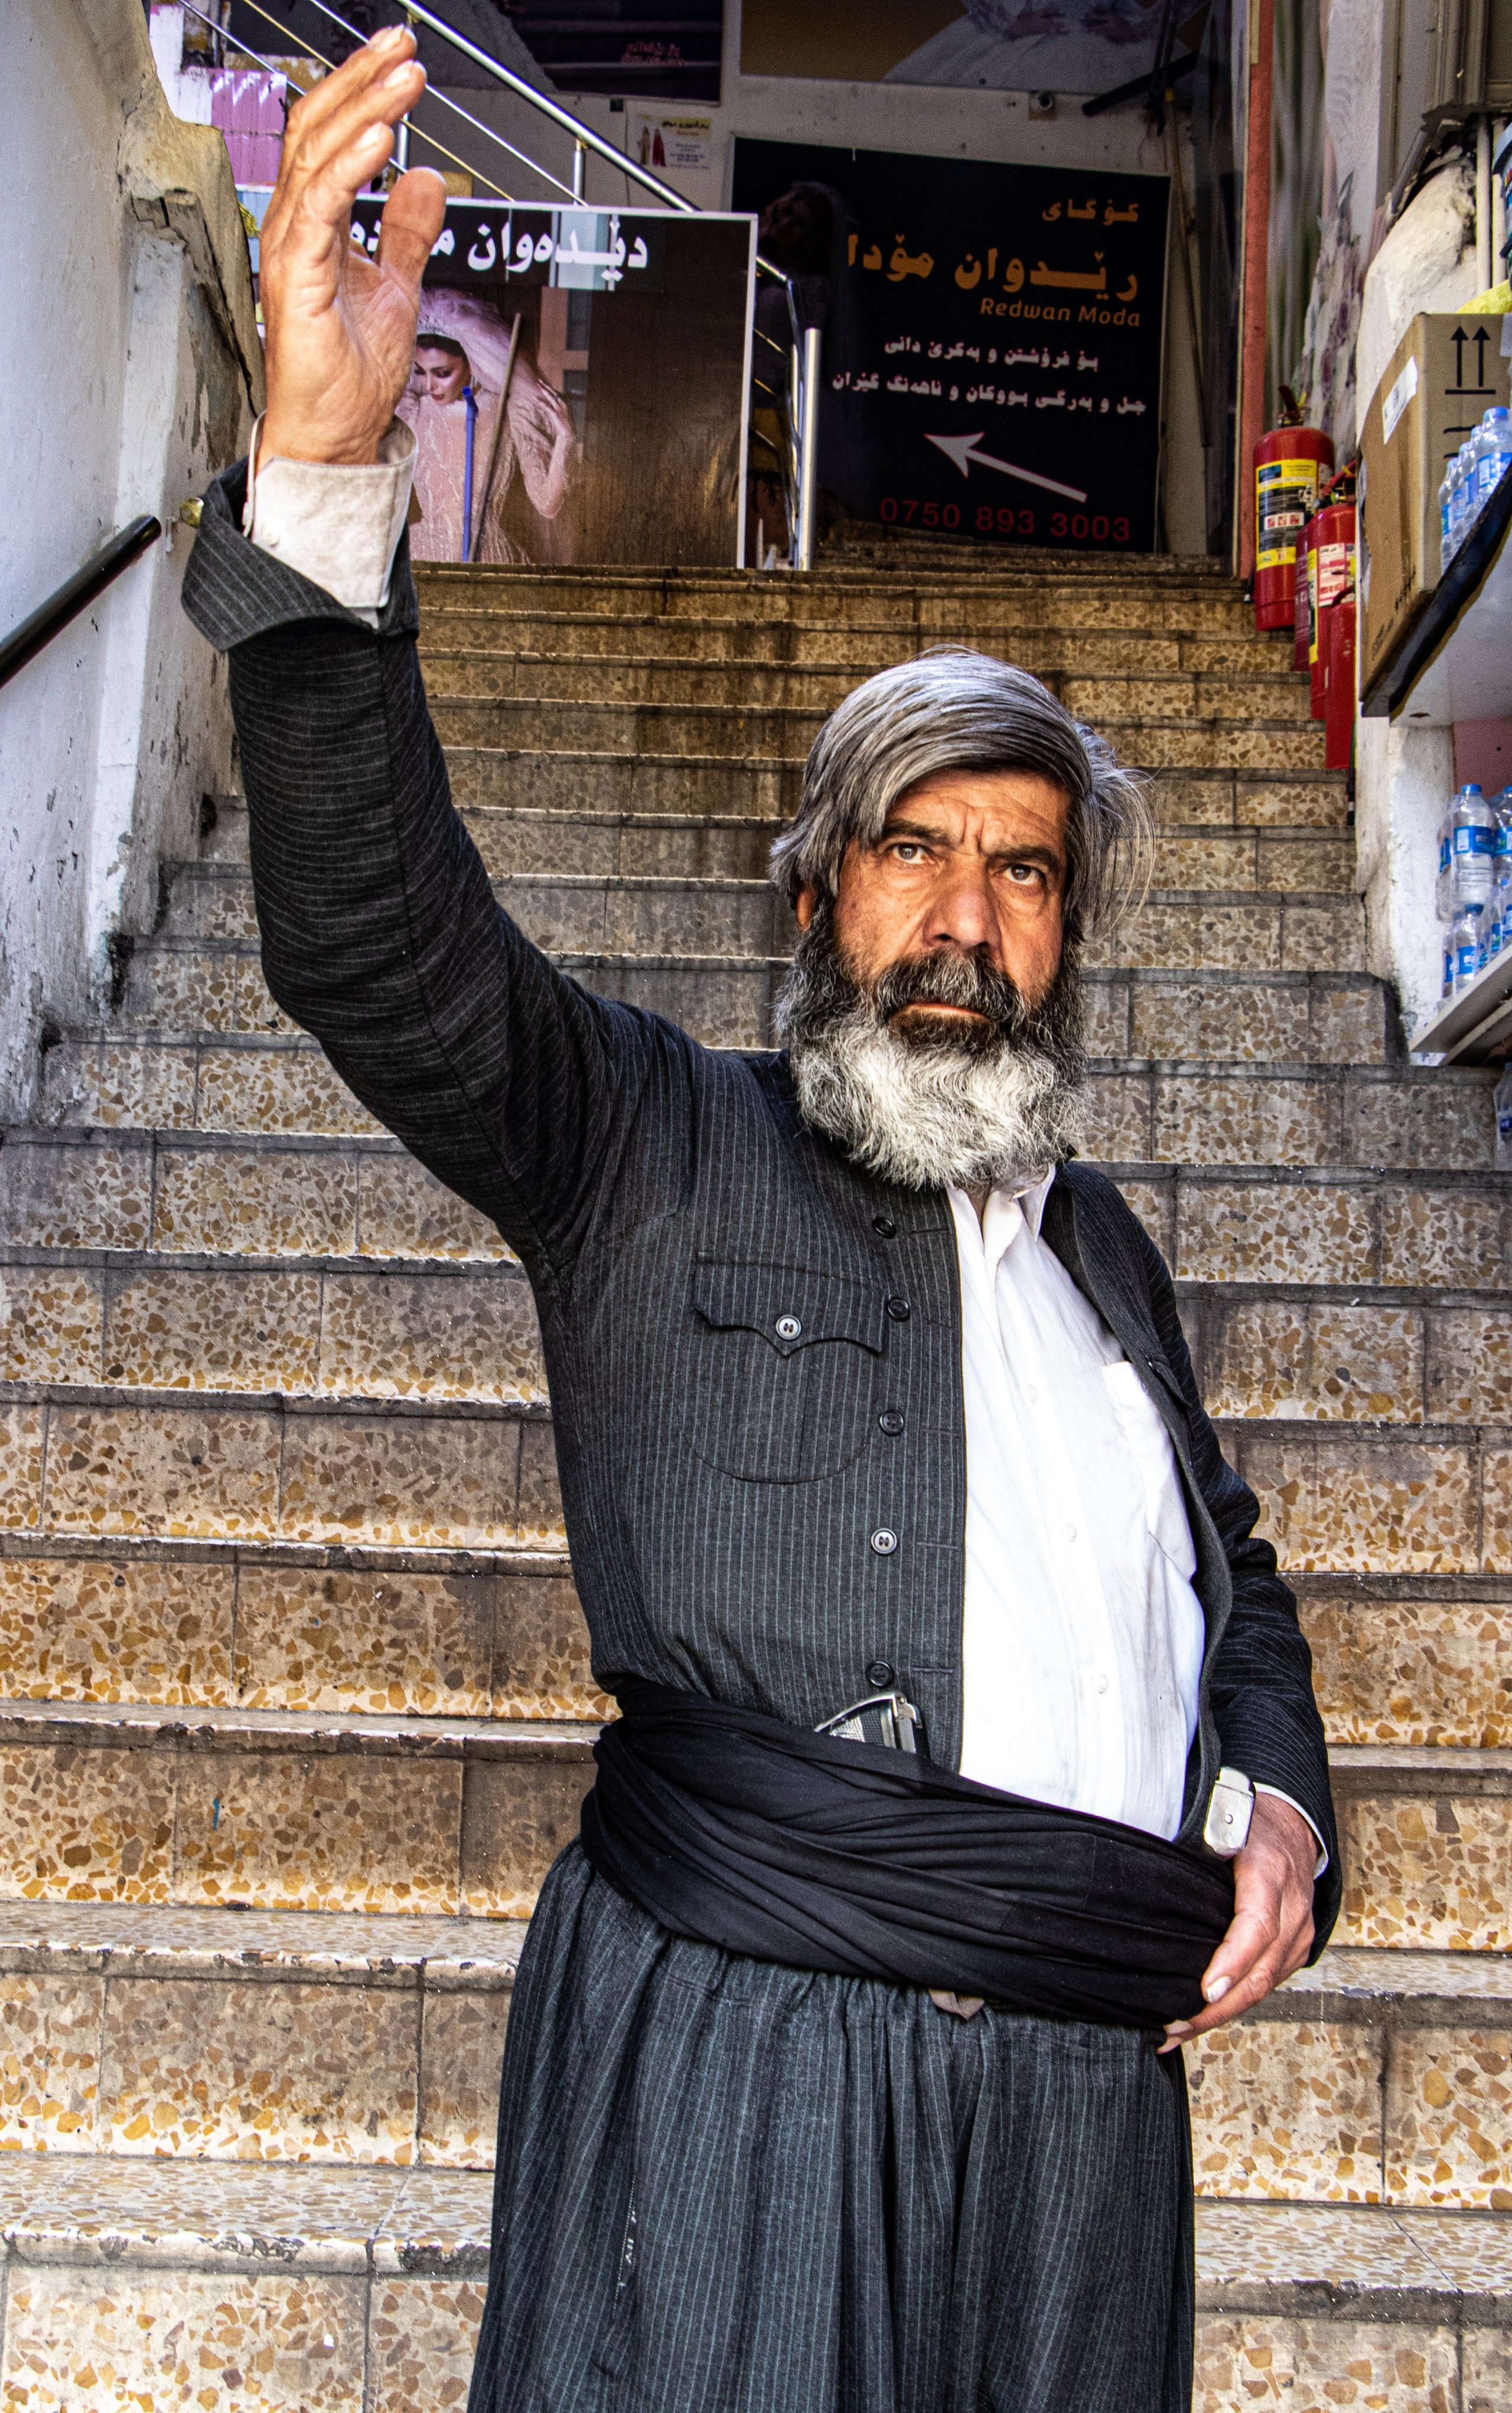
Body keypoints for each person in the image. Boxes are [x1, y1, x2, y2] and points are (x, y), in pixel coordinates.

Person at [181, 32, 1338, 2412]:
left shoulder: (1106, 1255)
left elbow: (1227, 1562)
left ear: (1068, 931)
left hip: (1075, 2117)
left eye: (1022, 868)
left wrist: (1288, 1790)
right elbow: (383, 955)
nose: (965, 910)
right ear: (816, 897)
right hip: (740, 2062)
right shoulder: (644, 1136)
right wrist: (322, 467)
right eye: (911, 846)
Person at [396, 291, 576, 564]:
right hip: (422, 557)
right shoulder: (413, 410)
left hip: (489, 558)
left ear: (472, 363)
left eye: (442, 373)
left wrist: (564, 438)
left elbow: (548, 505)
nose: (429, 385)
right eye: (421, 372)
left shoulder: (508, 410)